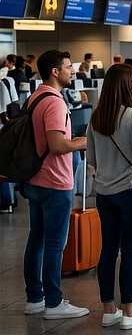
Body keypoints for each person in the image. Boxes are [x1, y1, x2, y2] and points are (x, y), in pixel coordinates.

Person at [85, 63, 132, 330]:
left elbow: (91, 159)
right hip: (130, 192)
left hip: (104, 194)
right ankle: (129, 312)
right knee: (129, 250)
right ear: (126, 86)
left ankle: (108, 310)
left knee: (108, 250)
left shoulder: (96, 117)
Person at [22, 50, 90, 320]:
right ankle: (53, 302)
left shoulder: (35, 97)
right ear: (54, 71)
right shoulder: (55, 103)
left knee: (36, 239)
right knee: (54, 243)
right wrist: (86, 141)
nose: (72, 71)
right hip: (54, 181)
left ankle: (35, 298)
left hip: (35, 178)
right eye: (67, 67)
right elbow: (58, 145)